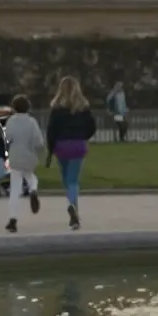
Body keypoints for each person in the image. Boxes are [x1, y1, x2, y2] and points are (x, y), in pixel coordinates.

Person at [45, 76, 97, 230]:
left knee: (67, 180)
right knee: (73, 180)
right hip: (77, 145)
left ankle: (73, 208)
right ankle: (73, 208)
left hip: (61, 145)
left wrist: (50, 149)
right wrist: (83, 136)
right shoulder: (83, 108)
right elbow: (92, 126)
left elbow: (51, 131)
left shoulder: (56, 109)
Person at [3, 94, 45, 233]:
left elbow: (8, 138)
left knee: (15, 189)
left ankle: (13, 219)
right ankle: (33, 189)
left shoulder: (11, 121)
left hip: (15, 157)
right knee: (31, 176)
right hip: (29, 156)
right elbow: (38, 141)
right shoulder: (32, 122)